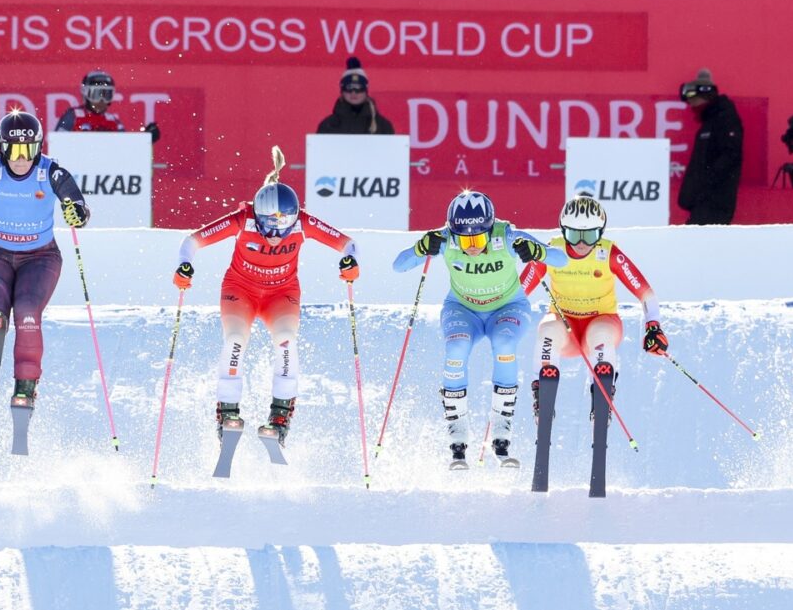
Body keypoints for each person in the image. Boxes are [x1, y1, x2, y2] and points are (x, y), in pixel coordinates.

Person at [173, 147, 358, 446]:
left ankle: (280, 417)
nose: (274, 235)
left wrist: (350, 263)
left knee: (286, 342)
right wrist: (185, 265)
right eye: (268, 226)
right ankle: (227, 413)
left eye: (282, 228)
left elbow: (349, 245)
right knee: (235, 341)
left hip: (281, 294)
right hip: (240, 290)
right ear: (257, 216)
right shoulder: (242, 219)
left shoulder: (304, 223)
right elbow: (192, 241)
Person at [393, 190, 566, 470]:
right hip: (463, 310)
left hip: (507, 308)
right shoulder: (445, 239)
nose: (471, 246)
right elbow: (398, 266)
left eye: (478, 238)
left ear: (489, 228)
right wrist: (420, 248)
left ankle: (502, 430)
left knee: (504, 343)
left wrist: (538, 251)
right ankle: (458, 435)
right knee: (455, 350)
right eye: (464, 239)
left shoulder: (507, 236)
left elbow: (562, 260)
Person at [0, 110, 90, 424]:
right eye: (13, 150)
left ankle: (26, 386)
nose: (21, 158)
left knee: (26, 312)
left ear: (38, 147)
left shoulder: (50, 172)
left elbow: (77, 202)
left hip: (40, 258)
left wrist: (77, 212)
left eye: (29, 150)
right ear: (1, 147)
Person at [519, 196, 668, 423]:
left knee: (599, 335)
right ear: (563, 230)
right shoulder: (550, 251)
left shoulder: (608, 253)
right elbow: (519, 291)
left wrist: (653, 326)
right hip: (566, 329)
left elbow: (644, 292)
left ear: (600, 232)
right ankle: (544, 395)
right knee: (548, 330)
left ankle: (601, 396)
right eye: (573, 235)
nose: (581, 244)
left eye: (590, 236)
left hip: (602, 321)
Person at [678, 68, 743, 225]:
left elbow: (731, 154)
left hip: (714, 203)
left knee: (700, 246)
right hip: (703, 202)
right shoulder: (709, 122)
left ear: (705, 95)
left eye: (693, 99)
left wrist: (706, 182)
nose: (691, 104)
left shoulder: (725, 118)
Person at [56, 70, 160, 142]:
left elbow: (125, 147)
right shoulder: (74, 116)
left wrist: (145, 138)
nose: (101, 101)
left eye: (107, 95)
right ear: (86, 93)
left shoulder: (112, 121)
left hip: (106, 171)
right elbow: (58, 143)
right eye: (96, 95)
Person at [316, 57, 395, 135]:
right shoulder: (328, 125)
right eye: (349, 88)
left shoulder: (383, 126)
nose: (353, 93)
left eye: (359, 88)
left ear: (366, 91)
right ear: (342, 91)